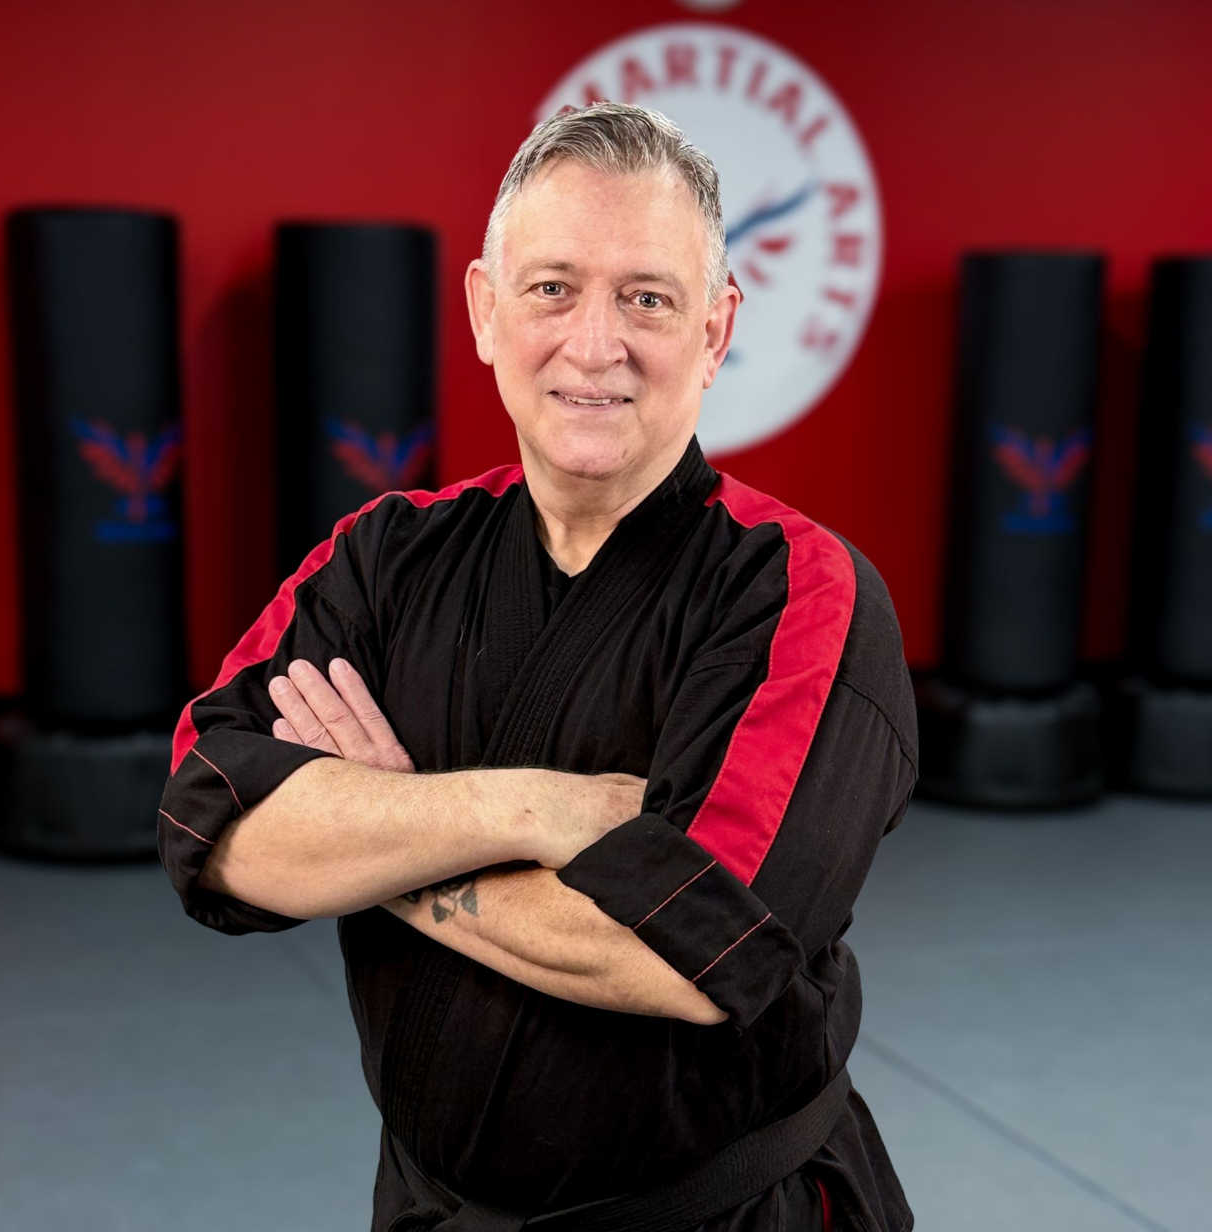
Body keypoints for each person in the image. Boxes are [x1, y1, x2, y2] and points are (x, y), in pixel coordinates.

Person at [157, 102, 918, 1232]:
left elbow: (687, 947)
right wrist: (538, 809)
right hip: (424, 1205)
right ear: (483, 311)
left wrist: (379, 835)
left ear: (714, 331)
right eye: (552, 287)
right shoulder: (386, 558)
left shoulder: (798, 594)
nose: (593, 344)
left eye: (646, 298)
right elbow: (208, 822)